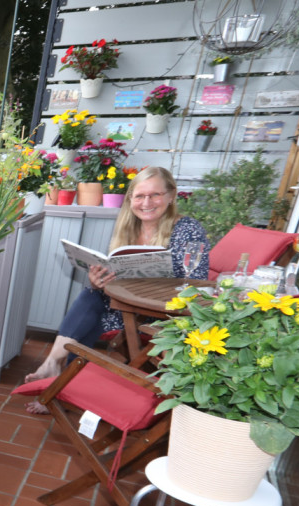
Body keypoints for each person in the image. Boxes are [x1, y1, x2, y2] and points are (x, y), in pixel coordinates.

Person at [25, 167, 208, 414]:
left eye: (155, 195)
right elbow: (115, 273)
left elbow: (196, 282)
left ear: (171, 195)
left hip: (161, 315)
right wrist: (98, 279)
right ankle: (56, 372)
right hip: (127, 307)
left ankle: (56, 377)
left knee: (91, 312)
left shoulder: (188, 229)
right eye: (139, 196)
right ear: (130, 199)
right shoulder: (128, 227)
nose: (146, 203)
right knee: (92, 294)